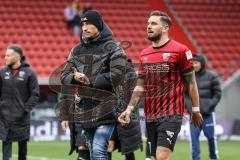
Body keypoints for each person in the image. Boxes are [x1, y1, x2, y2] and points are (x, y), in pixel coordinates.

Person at [118, 11, 203, 160]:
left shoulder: (181, 50)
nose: (149, 27)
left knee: (161, 156)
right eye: (148, 24)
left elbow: (191, 82)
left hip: (172, 114)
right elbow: (140, 87)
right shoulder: (145, 54)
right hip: (150, 115)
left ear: (165, 28)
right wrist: (129, 109)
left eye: (153, 23)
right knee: (154, 157)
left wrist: (195, 109)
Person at [60, 10, 141, 160]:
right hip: (85, 110)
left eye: (88, 23)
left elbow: (117, 75)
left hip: (107, 109)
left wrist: (90, 80)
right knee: (93, 152)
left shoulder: (114, 47)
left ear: (98, 25)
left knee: (98, 150)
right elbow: (63, 76)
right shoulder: (76, 50)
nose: (84, 27)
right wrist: (74, 77)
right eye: (82, 24)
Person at [0, 45, 40, 160]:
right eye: (5, 55)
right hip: (4, 118)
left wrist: (25, 110)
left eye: (8, 55)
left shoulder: (29, 73)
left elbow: (35, 95)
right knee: (6, 151)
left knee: (22, 150)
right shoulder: (2, 73)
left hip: (22, 118)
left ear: (17, 56)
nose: (5, 57)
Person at [185, 54, 221, 160]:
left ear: (202, 63)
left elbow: (217, 94)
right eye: (192, 63)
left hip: (208, 114)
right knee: (194, 139)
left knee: (211, 138)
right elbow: (185, 95)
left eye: (196, 63)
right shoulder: (188, 77)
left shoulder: (212, 76)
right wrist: (191, 108)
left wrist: (209, 105)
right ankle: (195, 158)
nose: (194, 65)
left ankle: (214, 157)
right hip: (194, 115)